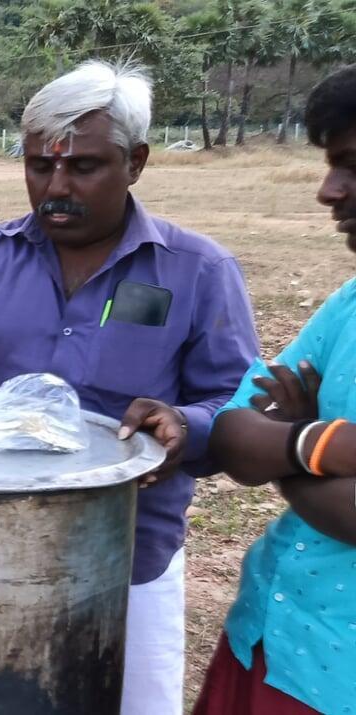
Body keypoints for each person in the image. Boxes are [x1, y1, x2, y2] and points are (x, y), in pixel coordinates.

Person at [0, 61, 258, 715]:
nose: (56, 187)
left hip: (126, 571)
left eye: (83, 167)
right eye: (40, 165)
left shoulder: (198, 272)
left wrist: (189, 423)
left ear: (137, 161)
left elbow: (240, 403)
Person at [192, 64, 356, 715]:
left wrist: (286, 452)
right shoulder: (348, 305)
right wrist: (324, 443)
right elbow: (234, 431)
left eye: (351, 163)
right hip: (262, 636)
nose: (327, 190)